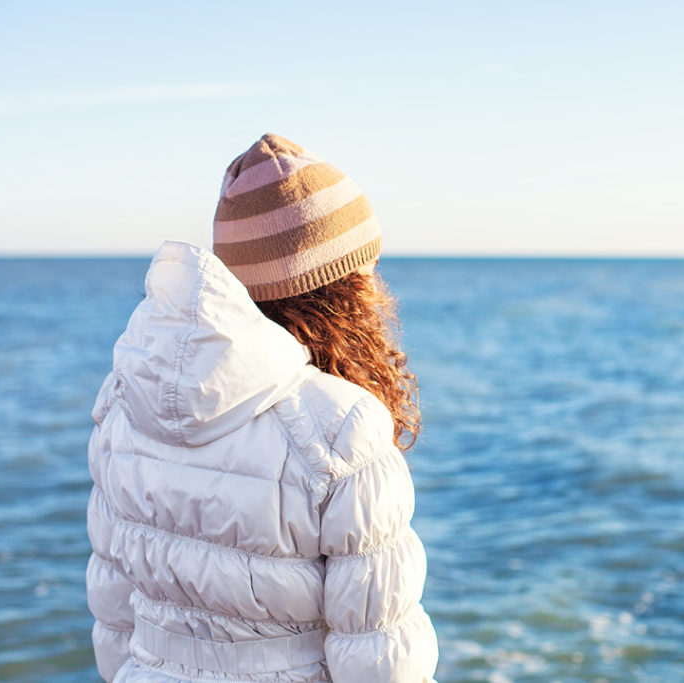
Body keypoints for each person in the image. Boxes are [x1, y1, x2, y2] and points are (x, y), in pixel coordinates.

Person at [86, 134, 439, 682]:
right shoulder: (342, 427)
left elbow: (113, 617)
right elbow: (381, 658)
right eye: (366, 265)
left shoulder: (124, 401)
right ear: (343, 289)